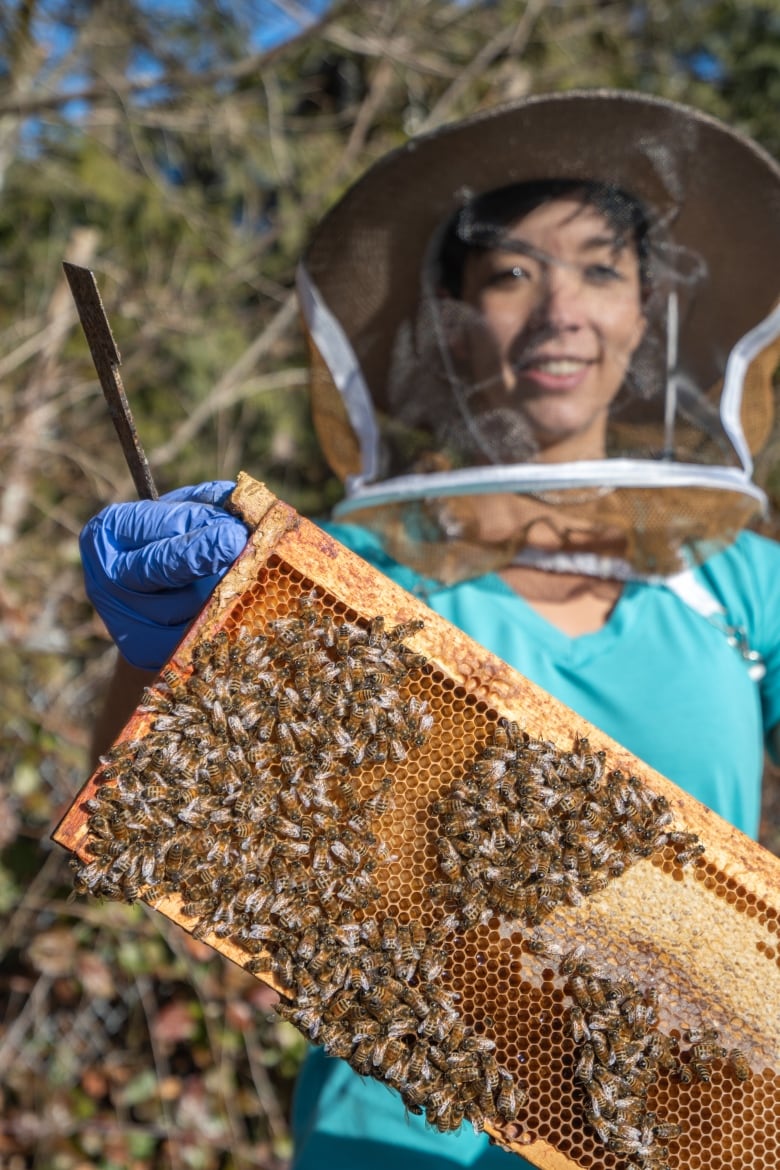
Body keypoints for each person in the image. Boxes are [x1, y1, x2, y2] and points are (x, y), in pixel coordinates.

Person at [79, 91, 780, 1168]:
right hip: (394, 1138)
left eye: (601, 269)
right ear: (452, 318)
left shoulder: (736, 584)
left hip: (689, 1136)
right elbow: (168, 787)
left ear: (648, 312)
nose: (561, 312)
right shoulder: (364, 578)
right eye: (511, 273)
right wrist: (166, 644)